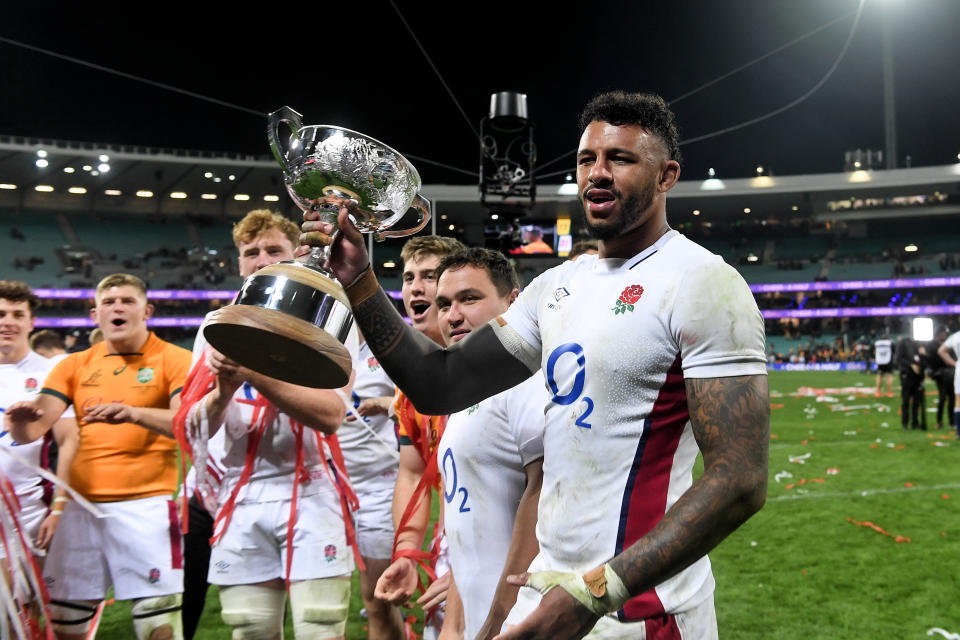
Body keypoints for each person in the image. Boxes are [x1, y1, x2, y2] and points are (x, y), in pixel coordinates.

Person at [299, 91, 769, 639]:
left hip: (640, 612)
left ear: (666, 176)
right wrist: (359, 279)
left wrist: (600, 591)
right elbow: (440, 382)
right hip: (548, 596)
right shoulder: (557, 287)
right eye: (586, 159)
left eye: (619, 159)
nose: (597, 172)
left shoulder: (703, 282)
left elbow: (741, 479)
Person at [181, 209, 357, 640]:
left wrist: (253, 372)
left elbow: (331, 414)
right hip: (241, 494)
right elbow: (194, 425)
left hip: (313, 489)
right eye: (250, 252)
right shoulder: (214, 328)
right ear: (239, 264)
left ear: (293, 252)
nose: (261, 259)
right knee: (250, 630)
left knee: (320, 627)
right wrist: (223, 389)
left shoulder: (326, 315)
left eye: (273, 249)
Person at [5, 273, 191, 640]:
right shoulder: (73, 365)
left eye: (126, 301)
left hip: (146, 505)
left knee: (159, 622)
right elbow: (33, 430)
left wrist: (133, 413)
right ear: (95, 315)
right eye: (108, 302)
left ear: (147, 310)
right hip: (80, 509)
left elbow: (184, 424)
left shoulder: (175, 359)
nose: (117, 307)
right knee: (64, 623)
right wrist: (17, 424)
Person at [431, 248, 545, 640]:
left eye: (469, 299)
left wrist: (497, 620)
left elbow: (544, 497)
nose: (453, 315)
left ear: (514, 301)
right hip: (484, 620)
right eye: (443, 304)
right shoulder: (469, 389)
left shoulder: (530, 380)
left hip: (523, 622)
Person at [371, 235, 463, 639]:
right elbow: (412, 474)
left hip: (496, 557)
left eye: (430, 276)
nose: (416, 288)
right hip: (446, 553)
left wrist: (471, 570)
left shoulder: (492, 373)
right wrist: (409, 551)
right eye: (409, 277)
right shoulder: (409, 387)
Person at [336, 330, 406, 640]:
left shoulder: (388, 349)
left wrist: (388, 403)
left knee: (377, 600)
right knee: (324, 604)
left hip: (378, 489)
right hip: (326, 489)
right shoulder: (318, 347)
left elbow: (424, 402)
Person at [0, 282, 75, 566]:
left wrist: (58, 509)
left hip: (29, 513)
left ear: (32, 322)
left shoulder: (51, 374)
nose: (8, 322)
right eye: (1, 314)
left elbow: (69, 442)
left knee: (26, 607)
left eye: (18, 315)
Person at [929, 327, 955, 430]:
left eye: (945, 333)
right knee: (942, 398)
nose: (944, 335)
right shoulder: (933, 345)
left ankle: (952, 421)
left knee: (952, 398)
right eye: (943, 333)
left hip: (950, 374)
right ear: (938, 333)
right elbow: (931, 360)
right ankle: (939, 422)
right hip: (940, 375)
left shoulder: (949, 344)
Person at [937, 327, 960, 438]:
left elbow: (941, 351)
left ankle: (958, 432)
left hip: (959, 369)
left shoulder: (955, 336)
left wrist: (955, 364)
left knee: (958, 400)